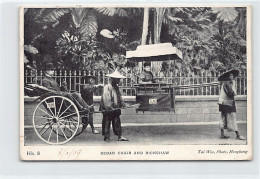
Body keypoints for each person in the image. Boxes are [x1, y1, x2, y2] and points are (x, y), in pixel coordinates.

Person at [99, 69, 129, 142]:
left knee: (117, 121)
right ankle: (106, 137)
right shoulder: (107, 87)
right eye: (117, 79)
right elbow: (106, 98)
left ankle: (119, 136)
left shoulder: (116, 87)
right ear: (113, 79)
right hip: (108, 108)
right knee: (107, 122)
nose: (119, 80)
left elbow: (119, 97)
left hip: (115, 108)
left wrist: (122, 104)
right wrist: (109, 107)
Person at [218, 69, 246, 140]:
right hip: (227, 103)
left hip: (223, 102)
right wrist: (234, 91)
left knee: (223, 118)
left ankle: (222, 134)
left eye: (232, 75)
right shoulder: (227, 84)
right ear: (227, 76)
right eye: (230, 75)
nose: (232, 76)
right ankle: (238, 135)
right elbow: (231, 94)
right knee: (232, 118)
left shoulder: (228, 83)